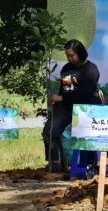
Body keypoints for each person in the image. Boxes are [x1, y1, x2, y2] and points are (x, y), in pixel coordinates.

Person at [43, 39, 102, 172]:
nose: (69, 58)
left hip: (85, 108)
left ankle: (89, 165)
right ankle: (56, 163)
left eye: (72, 55)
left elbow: (84, 94)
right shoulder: (67, 69)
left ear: (80, 53)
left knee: (85, 137)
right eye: (67, 56)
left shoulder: (91, 70)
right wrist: (57, 101)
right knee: (49, 131)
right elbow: (67, 90)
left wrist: (60, 98)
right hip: (67, 107)